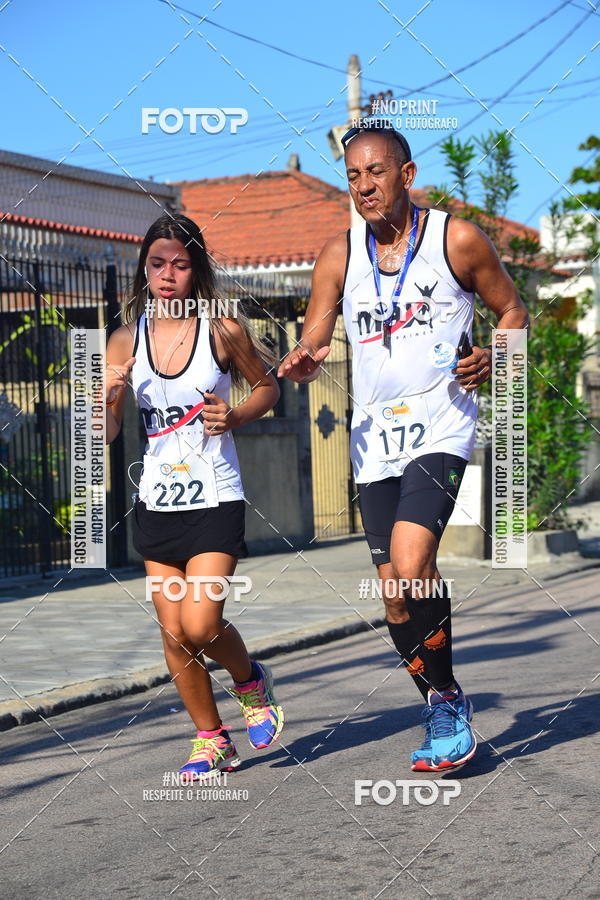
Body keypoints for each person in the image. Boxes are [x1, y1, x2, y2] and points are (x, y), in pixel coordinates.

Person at [278, 122, 528, 772]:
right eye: (353, 176)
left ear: (407, 175)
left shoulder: (455, 239)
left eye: (376, 172)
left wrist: (496, 357)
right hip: (374, 438)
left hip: (440, 423)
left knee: (414, 563)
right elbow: (313, 339)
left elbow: (513, 311)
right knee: (393, 595)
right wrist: (302, 360)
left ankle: (445, 708)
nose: (364, 185)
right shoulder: (339, 255)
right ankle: (443, 699)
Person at [105, 213, 284, 778]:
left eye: (179, 264)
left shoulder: (221, 331)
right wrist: (107, 399)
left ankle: (251, 683)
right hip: (157, 502)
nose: (167, 274)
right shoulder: (124, 339)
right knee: (174, 633)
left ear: (196, 270)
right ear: (144, 269)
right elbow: (104, 434)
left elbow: (268, 388)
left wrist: (234, 416)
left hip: (215, 496)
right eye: (157, 263)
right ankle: (212, 739)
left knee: (202, 623)